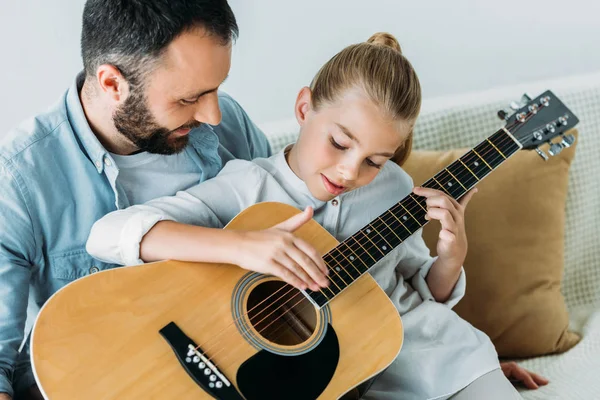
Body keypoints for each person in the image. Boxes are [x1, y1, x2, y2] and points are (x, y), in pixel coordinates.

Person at [87, 32, 548, 399]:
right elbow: (107, 234)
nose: (349, 171)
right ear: (305, 107)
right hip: (341, 378)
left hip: (440, 360)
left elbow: (422, 291)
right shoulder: (250, 186)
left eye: (375, 160)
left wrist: (451, 256)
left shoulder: (396, 189)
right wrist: (243, 245)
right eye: (341, 143)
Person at [0, 1, 277, 399]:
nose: (214, 115)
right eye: (188, 99)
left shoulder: (228, 124)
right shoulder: (19, 180)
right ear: (112, 84)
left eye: (217, 89)